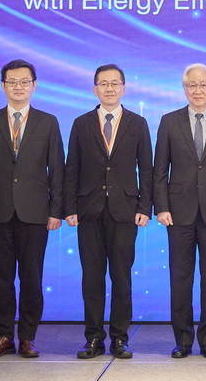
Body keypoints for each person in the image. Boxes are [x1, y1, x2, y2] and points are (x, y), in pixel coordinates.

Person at [0, 59, 64, 359]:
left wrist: (56, 210)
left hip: (35, 213)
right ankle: (2, 336)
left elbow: (57, 169)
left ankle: (27, 337)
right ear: (3, 86)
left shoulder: (48, 122)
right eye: (12, 81)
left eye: (24, 81)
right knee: (0, 277)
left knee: (31, 277)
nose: (18, 86)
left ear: (34, 85)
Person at [64, 64, 152, 360]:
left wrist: (145, 207)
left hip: (125, 210)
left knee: (121, 277)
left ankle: (119, 338)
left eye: (115, 83)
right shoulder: (81, 123)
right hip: (88, 210)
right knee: (92, 277)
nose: (110, 88)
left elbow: (147, 169)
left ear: (124, 88)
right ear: (95, 89)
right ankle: (93, 338)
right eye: (104, 83)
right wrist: (69, 206)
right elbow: (72, 167)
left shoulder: (138, 123)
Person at [153, 63, 206, 359]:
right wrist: (161, 206)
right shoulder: (169, 121)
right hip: (177, 213)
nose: (198, 90)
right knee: (180, 278)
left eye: (203, 85)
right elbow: (159, 168)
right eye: (192, 85)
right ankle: (183, 339)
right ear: (184, 89)